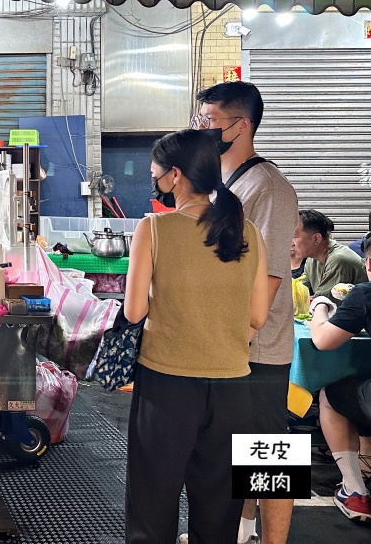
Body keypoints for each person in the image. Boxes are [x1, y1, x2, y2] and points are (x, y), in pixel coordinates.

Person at [124, 129, 269, 543]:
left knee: (152, 502)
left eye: (156, 174)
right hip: (233, 388)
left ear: (175, 175)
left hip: (166, 387)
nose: (155, 182)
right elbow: (257, 315)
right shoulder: (249, 233)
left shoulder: (153, 228)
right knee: (219, 508)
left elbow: (134, 311)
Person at [196, 80, 299, 544]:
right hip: (224, 343)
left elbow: (270, 277)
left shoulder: (270, 187)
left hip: (258, 347)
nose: (203, 129)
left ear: (242, 125)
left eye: (210, 122)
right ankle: (242, 531)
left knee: (269, 453)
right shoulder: (223, 185)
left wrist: (242, 331)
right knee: (231, 451)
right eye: (201, 121)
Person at [309, 235, 371, 522]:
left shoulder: (364, 293)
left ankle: (354, 490)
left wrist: (320, 306)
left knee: (332, 396)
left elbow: (322, 340)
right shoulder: (312, 263)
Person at [293, 209, 368, 300]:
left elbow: (324, 302)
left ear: (316, 238)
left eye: (294, 236)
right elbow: (299, 291)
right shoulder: (312, 258)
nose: (290, 242)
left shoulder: (338, 259)